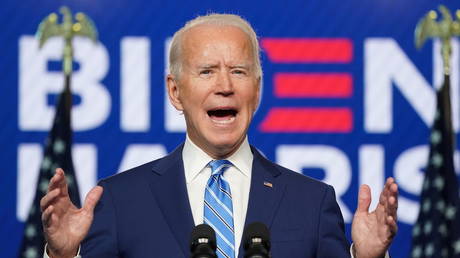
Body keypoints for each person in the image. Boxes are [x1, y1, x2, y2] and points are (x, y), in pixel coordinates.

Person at [40, 13, 398, 258]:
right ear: (175, 91)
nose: (225, 86)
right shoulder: (120, 201)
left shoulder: (312, 203)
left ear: (256, 91)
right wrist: (62, 254)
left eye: (239, 71)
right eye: (207, 71)